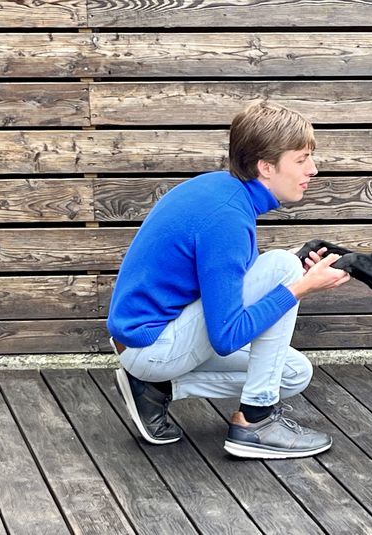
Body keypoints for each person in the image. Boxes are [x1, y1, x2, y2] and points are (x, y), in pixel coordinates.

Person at [107, 102, 350, 459]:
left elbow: (227, 281)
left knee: (295, 373)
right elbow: (226, 337)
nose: (313, 170)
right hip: (153, 346)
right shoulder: (226, 218)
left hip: (153, 340)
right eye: (301, 160)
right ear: (266, 167)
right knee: (284, 267)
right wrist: (299, 286)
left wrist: (294, 268)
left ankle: (156, 388)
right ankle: (255, 422)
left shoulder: (222, 192)